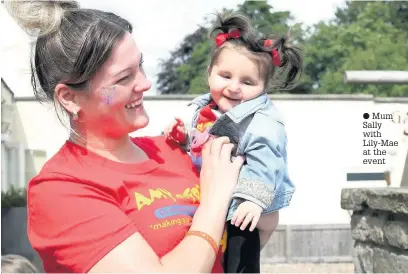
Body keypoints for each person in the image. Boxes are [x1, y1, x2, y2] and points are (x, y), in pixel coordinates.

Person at [3, 1, 267, 273]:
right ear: (69, 98)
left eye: (140, 66)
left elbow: (237, 248)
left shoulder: (173, 150)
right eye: (124, 78)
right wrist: (216, 198)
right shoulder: (61, 189)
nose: (145, 83)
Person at [165, 12, 303, 273]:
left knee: (239, 259)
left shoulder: (263, 122)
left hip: (243, 205)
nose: (234, 87)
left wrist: (252, 200)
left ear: (263, 87)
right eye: (225, 76)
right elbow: (206, 141)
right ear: (210, 73)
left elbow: (266, 161)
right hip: (214, 199)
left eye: (247, 82)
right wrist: (184, 137)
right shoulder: (209, 108)